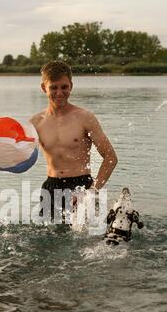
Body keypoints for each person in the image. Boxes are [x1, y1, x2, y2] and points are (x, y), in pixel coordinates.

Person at [30, 60, 118, 223]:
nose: (59, 92)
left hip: (81, 186)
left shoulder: (84, 118)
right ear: (44, 88)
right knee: (48, 244)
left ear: (71, 85)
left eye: (64, 87)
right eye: (53, 87)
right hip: (50, 187)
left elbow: (110, 157)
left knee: (86, 243)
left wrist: (92, 191)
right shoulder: (35, 123)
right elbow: (21, 158)